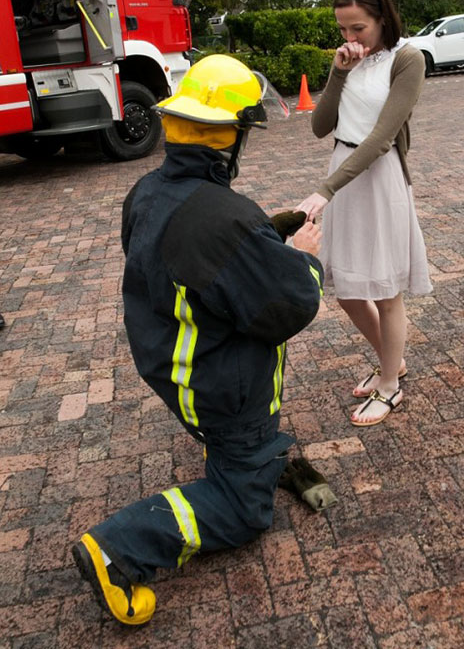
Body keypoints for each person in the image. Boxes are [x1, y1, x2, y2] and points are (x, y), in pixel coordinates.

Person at [72, 55, 323, 626]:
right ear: (228, 135)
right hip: (222, 389)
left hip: (173, 365)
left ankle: (250, 454)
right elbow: (287, 305)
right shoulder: (223, 219)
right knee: (243, 507)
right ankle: (119, 548)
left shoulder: (146, 192)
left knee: (240, 447)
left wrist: (265, 237)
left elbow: (189, 261)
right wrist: (300, 259)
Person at [297, 0, 432, 428]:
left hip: (377, 176)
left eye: (359, 29)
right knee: (349, 289)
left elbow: (381, 138)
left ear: (381, 18)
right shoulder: (349, 60)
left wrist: (327, 188)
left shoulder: (407, 59)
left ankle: (391, 386)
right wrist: (338, 70)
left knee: (386, 290)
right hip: (344, 169)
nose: (351, 39)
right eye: (343, 30)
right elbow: (320, 126)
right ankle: (392, 361)